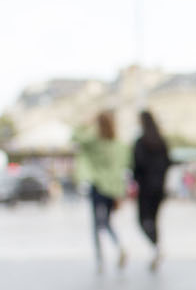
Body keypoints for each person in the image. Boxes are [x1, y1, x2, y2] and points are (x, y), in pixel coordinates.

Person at [73, 111, 129, 272]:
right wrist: (121, 193)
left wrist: (86, 122)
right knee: (107, 222)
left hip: (98, 187)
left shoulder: (95, 142)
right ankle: (119, 246)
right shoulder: (119, 145)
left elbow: (76, 137)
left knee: (97, 224)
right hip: (113, 189)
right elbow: (123, 169)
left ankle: (100, 260)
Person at [131, 110, 171, 270]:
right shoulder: (161, 141)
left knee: (142, 220)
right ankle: (156, 247)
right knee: (154, 220)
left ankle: (155, 247)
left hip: (146, 188)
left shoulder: (140, 142)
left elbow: (136, 165)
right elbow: (168, 162)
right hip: (159, 187)